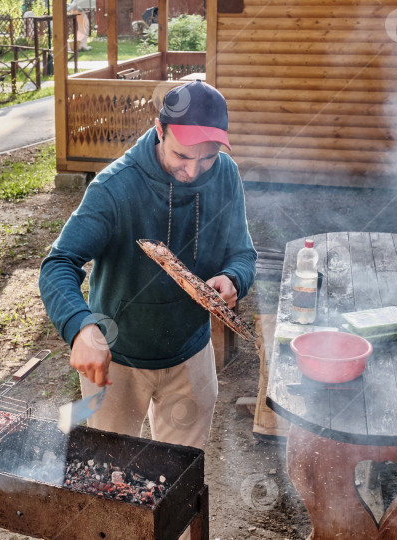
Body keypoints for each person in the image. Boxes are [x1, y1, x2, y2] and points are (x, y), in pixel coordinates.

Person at [39, 80, 256, 451]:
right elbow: (59, 263)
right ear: (160, 132)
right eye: (182, 156)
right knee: (112, 473)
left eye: (206, 157)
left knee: (180, 472)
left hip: (191, 352)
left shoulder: (225, 174)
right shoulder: (115, 188)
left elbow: (243, 253)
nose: (194, 170)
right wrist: (80, 328)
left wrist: (234, 278)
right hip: (118, 359)